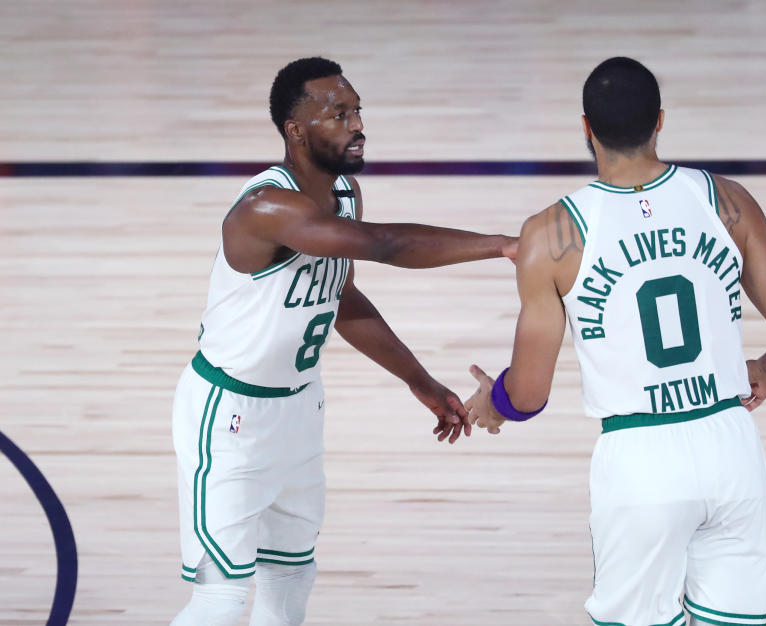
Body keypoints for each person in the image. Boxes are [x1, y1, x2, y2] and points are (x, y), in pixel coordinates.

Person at [465, 57, 766, 626]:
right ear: (660, 121)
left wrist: (493, 403)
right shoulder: (726, 201)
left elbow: (528, 392)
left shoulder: (551, 235)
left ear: (585, 127)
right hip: (732, 448)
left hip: (639, 458)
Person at [170, 56, 516, 626]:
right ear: (296, 131)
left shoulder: (346, 193)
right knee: (220, 600)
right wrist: (502, 245)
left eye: (358, 111)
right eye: (339, 114)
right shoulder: (267, 208)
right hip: (229, 414)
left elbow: (340, 297)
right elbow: (384, 245)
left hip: (300, 408)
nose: (357, 125)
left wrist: (420, 381)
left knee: (290, 576)